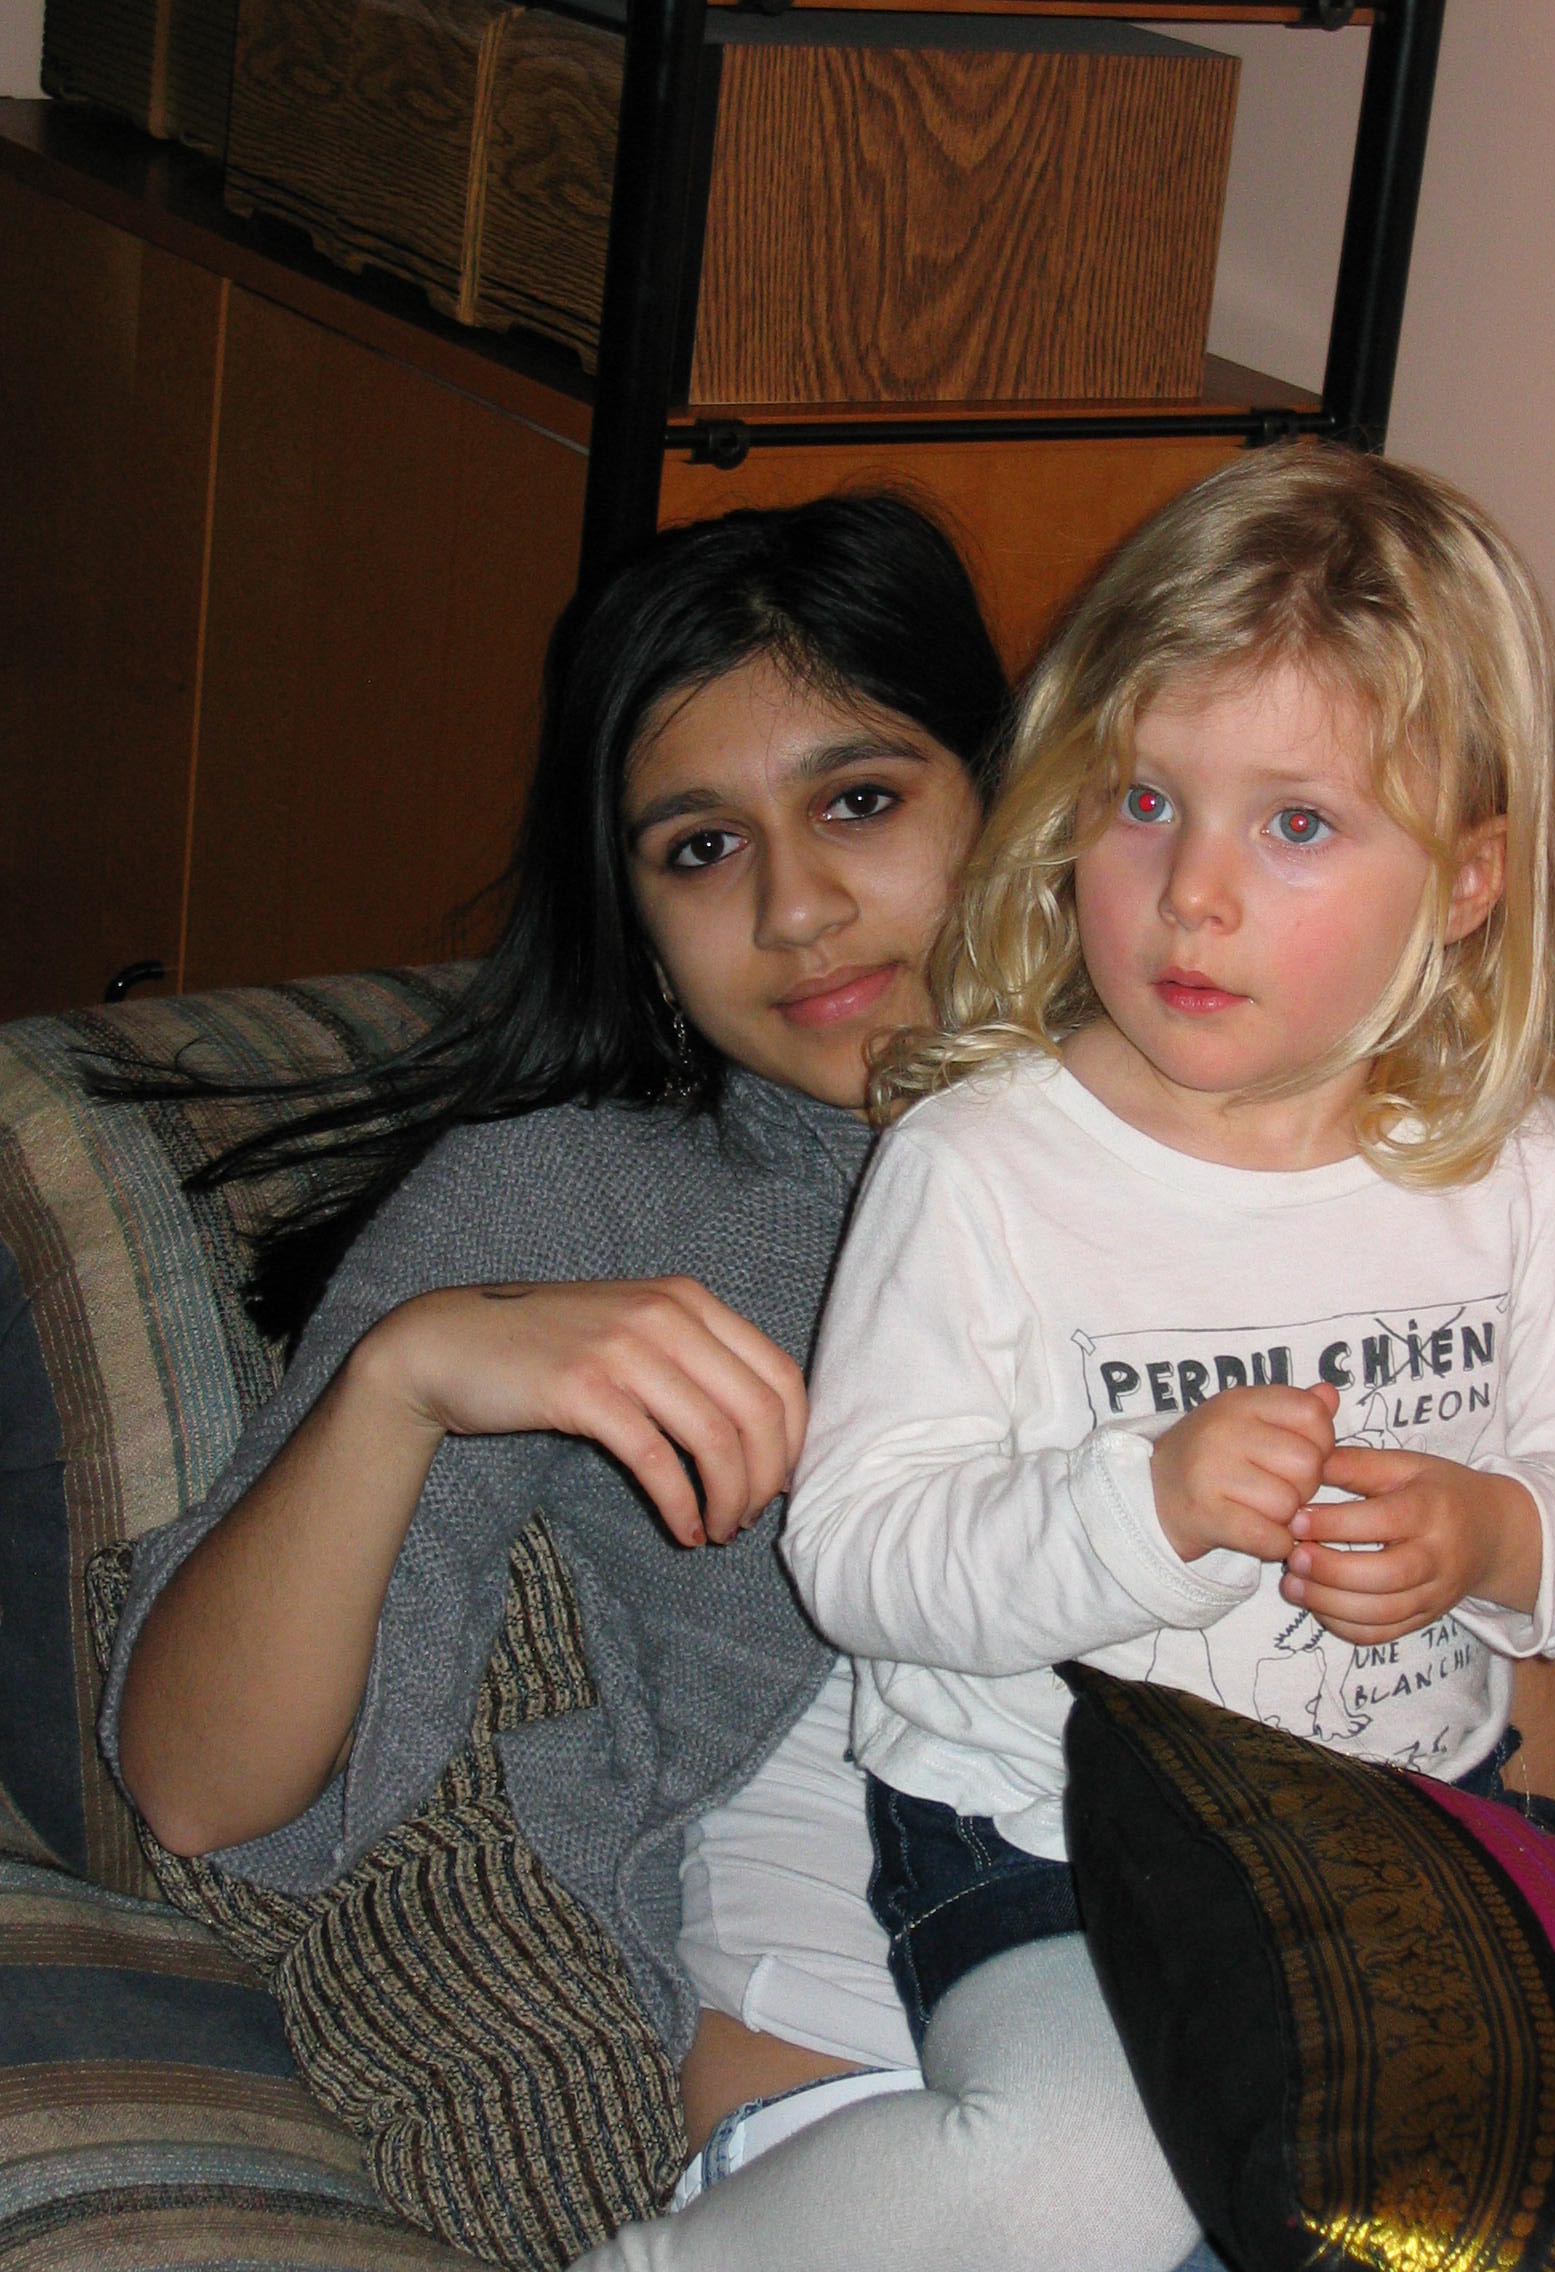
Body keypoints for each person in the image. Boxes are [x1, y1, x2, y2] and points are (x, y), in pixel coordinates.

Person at [580, 446, 1555, 2272]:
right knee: (1083, 2169)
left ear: (1467, 882)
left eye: (1297, 825)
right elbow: (857, 1553)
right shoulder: (984, 1166)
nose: (1191, 896)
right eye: (1146, 802)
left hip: (1416, 1828)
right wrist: (1140, 1508)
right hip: (1051, 1850)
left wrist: (1500, 1536)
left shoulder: (1504, 1163)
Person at [96, 492, 1015, 2256]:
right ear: (639, 917)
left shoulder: (1220, 1126)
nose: (800, 909)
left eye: (861, 801)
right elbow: (199, 1784)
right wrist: (403, 1377)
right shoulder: (574, 1199)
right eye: (701, 848)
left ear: (1006, 792)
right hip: (851, 2054)